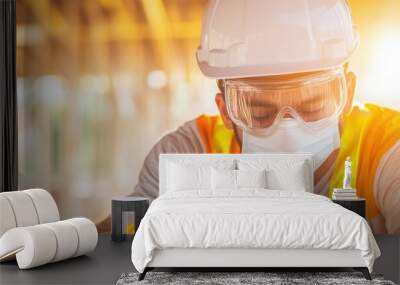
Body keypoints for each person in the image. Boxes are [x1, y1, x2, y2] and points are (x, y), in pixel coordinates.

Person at [98, 0, 400, 234]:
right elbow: (124, 238)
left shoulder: (386, 145)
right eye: (260, 111)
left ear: (347, 92)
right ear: (225, 109)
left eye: (311, 104)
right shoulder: (186, 152)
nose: (288, 126)